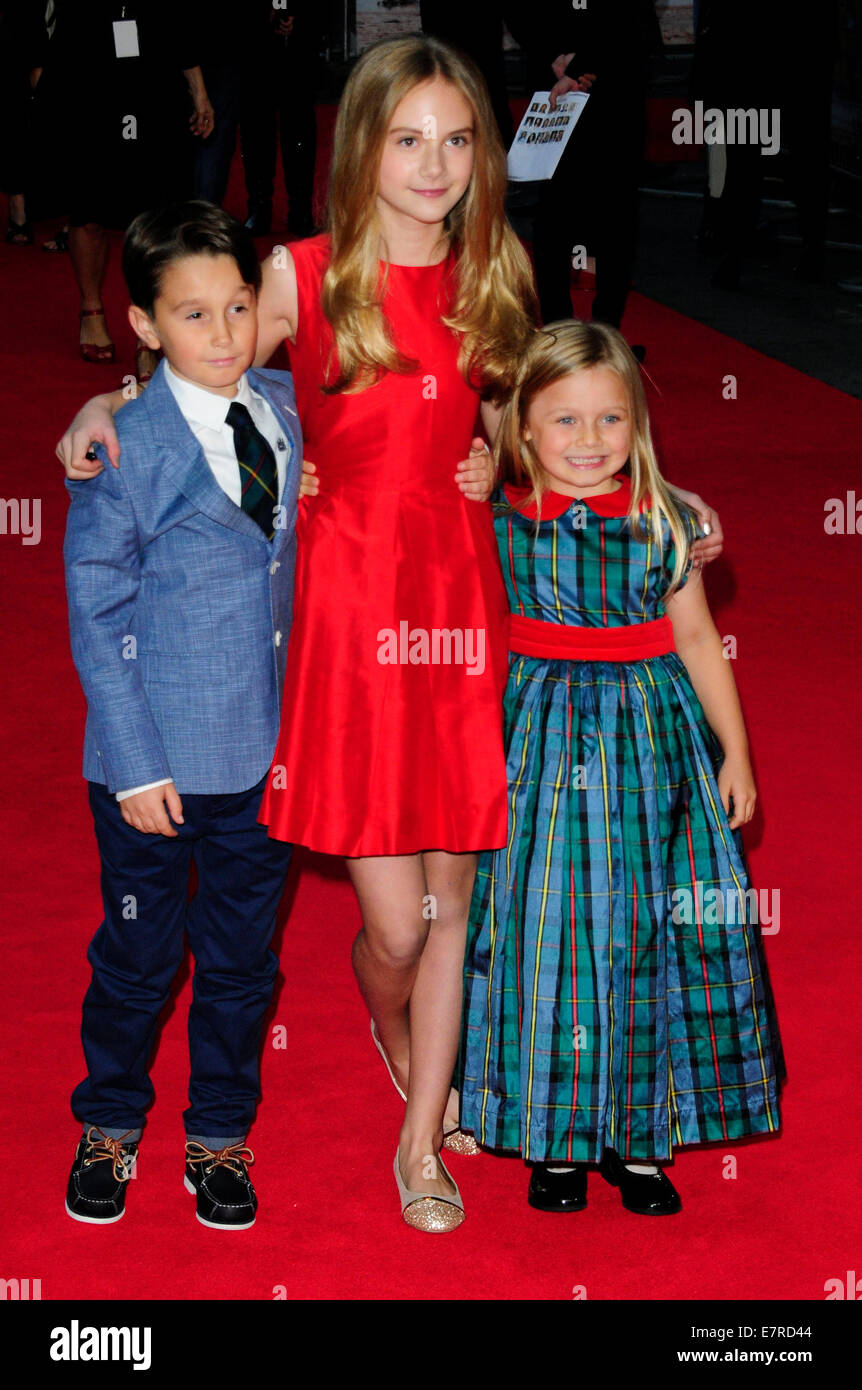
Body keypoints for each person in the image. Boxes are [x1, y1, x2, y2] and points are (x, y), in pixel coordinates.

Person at [55, 37, 723, 1234]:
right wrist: (100, 401)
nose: (434, 164)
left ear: (483, 153)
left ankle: (422, 1136)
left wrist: (651, 496)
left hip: (466, 602)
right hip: (350, 614)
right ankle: (387, 1012)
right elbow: (197, 376)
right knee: (396, 927)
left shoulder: (500, 263)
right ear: (361, 142)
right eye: (408, 138)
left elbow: (554, 424)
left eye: (457, 139)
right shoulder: (301, 275)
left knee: (457, 896)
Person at [459, 320, 783, 1216]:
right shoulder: (495, 522)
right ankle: (550, 1138)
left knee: (648, 936)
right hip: (536, 750)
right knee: (543, 937)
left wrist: (738, 752)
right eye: (564, 422)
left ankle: (640, 1142)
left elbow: (697, 641)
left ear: (637, 427)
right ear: (522, 428)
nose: (590, 442)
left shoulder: (664, 523)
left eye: (610, 421)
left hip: (653, 749)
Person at [62, 201, 302, 1229]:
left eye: (238, 308)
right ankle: (110, 1121)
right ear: (145, 325)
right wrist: (135, 764)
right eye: (193, 315)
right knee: (139, 955)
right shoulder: (126, 445)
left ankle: (219, 1136)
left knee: (244, 960)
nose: (224, 334)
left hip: (271, 756)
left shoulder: (291, 409)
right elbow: (94, 611)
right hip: (149, 768)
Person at [31, 1, 213, 367]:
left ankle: (149, 328)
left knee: (155, 218)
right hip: (90, 98)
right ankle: (92, 310)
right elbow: (54, 39)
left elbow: (179, 31)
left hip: (155, 96)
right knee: (89, 213)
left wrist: (199, 92)